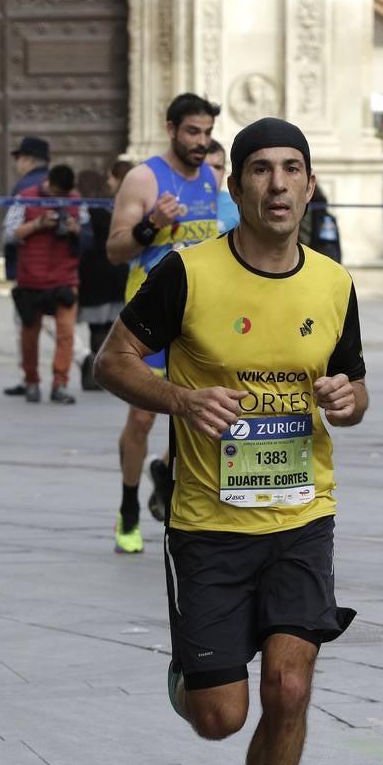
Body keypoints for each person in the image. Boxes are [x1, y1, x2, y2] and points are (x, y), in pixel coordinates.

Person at [95, 117, 368, 765]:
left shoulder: (334, 284)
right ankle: (191, 672)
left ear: (309, 184)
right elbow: (111, 363)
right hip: (208, 525)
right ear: (234, 182)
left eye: (291, 169)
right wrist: (182, 398)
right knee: (218, 717)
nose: (277, 184)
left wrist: (348, 398)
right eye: (260, 170)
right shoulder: (186, 274)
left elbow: (354, 388)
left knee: (288, 688)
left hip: (301, 517)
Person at [104, 92, 221, 553]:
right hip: (148, 318)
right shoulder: (143, 178)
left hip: (197, 320)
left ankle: (174, 488)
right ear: (171, 128)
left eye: (208, 133)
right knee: (141, 417)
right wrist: (151, 224)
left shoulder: (212, 178)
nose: (201, 141)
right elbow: (115, 250)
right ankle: (129, 506)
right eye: (193, 131)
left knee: (207, 412)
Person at [6, 164, 84, 404]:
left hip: (64, 277)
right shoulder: (25, 198)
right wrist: (37, 224)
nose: (60, 199)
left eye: (64, 195)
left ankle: (60, 383)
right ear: (48, 182)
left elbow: (89, 234)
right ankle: (31, 381)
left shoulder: (76, 200)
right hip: (31, 279)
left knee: (66, 334)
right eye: (57, 193)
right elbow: (9, 233)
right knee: (30, 335)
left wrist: (75, 228)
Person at [2, 136, 52, 397]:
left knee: (27, 322)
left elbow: (10, 232)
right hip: (58, 268)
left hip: (29, 268)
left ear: (29, 160)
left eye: (19, 158)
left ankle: (29, 376)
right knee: (54, 321)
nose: (18, 164)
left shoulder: (24, 188)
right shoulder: (56, 186)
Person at [76, 162, 132, 391]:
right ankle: (111, 375)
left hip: (94, 277)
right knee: (111, 326)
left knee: (97, 328)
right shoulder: (114, 208)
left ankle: (96, 375)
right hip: (117, 273)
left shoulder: (88, 210)